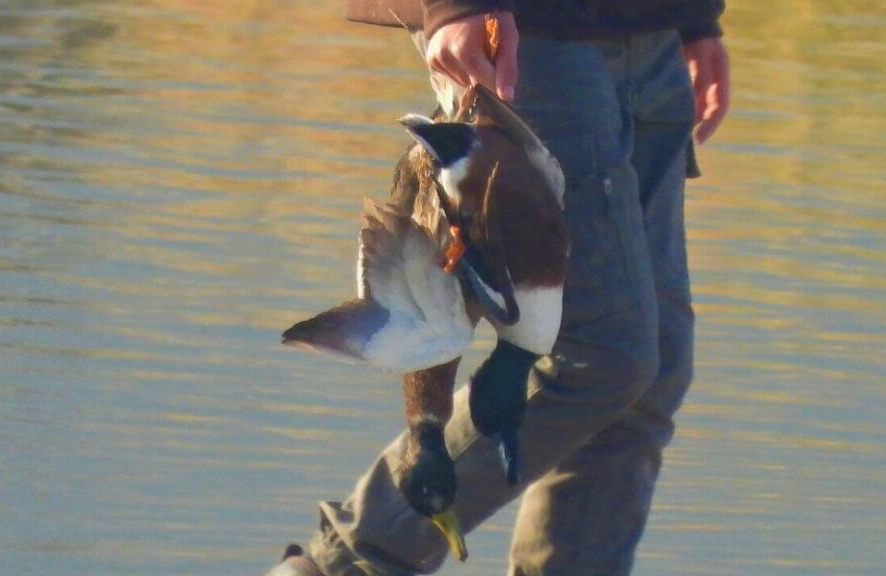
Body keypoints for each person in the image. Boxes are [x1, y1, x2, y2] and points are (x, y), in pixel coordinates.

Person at [267, 1, 729, 574]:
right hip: (523, 30)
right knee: (603, 355)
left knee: (648, 371)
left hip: (645, 28)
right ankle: (344, 568)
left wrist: (696, 16)